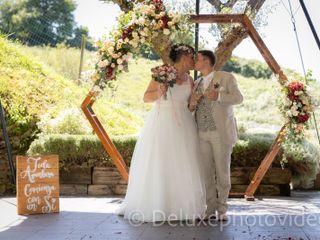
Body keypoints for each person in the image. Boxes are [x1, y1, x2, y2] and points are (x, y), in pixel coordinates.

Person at [116, 44, 206, 222]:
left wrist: (194, 101)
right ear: (182, 56)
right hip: (162, 123)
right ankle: (158, 204)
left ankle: (181, 207)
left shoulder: (190, 80)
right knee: (160, 162)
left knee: (184, 163)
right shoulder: (162, 73)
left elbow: (189, 107)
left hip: (185, 126)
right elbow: (146, 97)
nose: (193, 61)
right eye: (191, 57)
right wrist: (159, 91)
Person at [189, 50, 243, 221]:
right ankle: (210, 208)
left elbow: (238, 98)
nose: (193, 61)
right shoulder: (196, 82)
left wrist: (219, 96)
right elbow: (190, 108)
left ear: (206, 60)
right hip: (201, 133)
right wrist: (192, 103)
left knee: (222, 172)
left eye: (196, 59)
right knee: (206, 173)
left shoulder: (226, 77)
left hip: (221, 132)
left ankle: (223, 210)